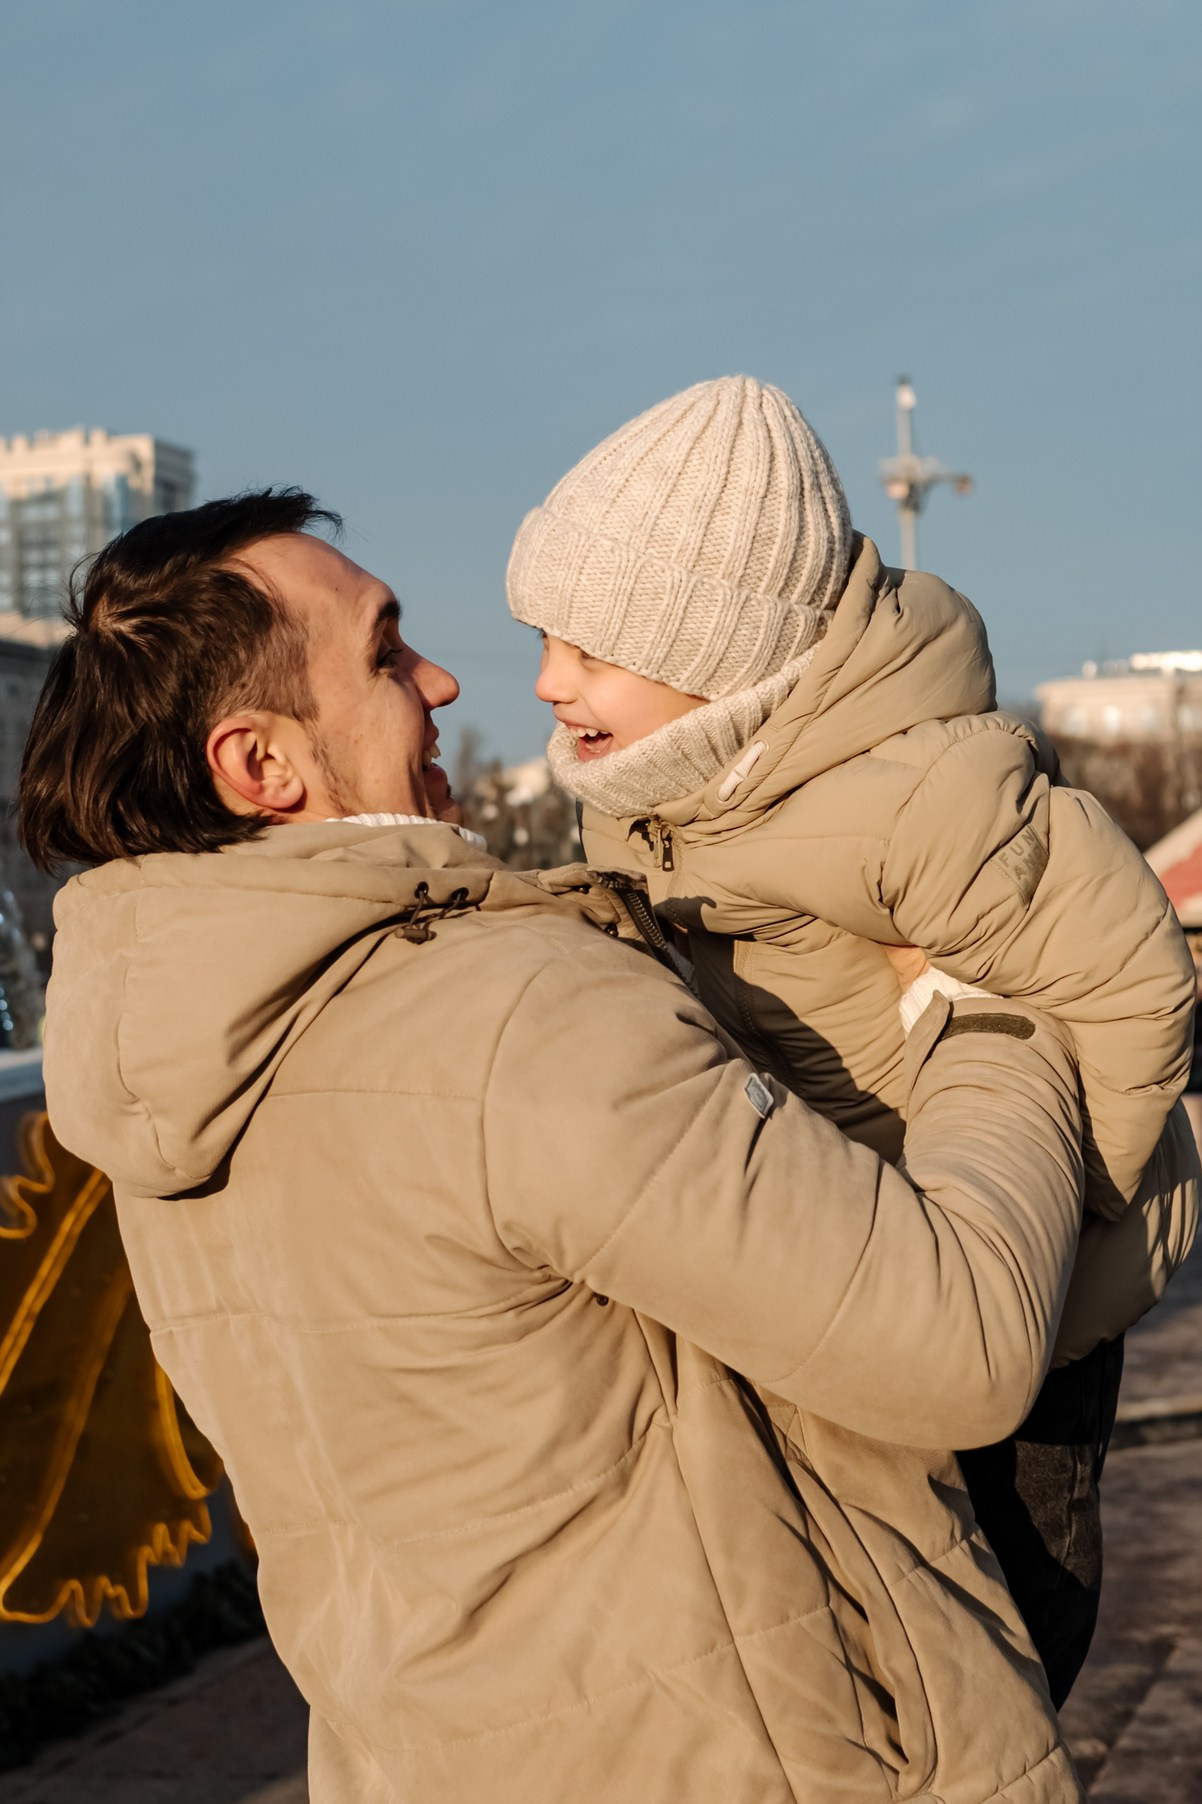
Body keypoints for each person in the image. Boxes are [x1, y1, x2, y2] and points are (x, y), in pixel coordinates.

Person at [21, 491, 1089, 1802]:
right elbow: (957, 1345)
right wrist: (984, 1019)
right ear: (261, 766)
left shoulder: (161, 1068)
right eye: (384, 653)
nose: (443, 679)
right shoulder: (508, 1011)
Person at [506, 375, 1201, 1705]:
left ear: (712, 651)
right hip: (850, 1277)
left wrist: (1057, 1254)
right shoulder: (645, 802)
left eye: (589, 651)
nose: (547, 683)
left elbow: (1125, 990)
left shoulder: (923, 789)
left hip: (1018, 1303)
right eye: (542, 639)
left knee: (1009, 1625)